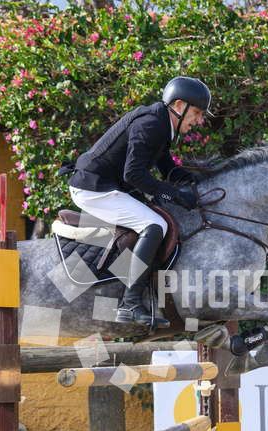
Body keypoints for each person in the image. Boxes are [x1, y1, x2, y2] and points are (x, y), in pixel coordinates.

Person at [67, 76, 213, 328]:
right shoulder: (151, 124)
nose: (199, 121)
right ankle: (130, 304)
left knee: (160, 217)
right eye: (197, 113)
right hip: (93, 189)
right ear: (179, 105)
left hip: (108, 185)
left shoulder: (162, 123)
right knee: (155, 226)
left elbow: (166, 166)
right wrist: (174, 194)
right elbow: (133, 175)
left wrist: (193, 181)